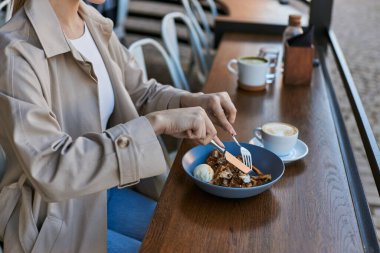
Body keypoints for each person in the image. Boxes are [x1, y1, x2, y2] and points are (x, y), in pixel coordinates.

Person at [0, 0, 237, 252]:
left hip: (106, 190)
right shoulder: (16, 51)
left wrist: (190, 99)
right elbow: (51, 168)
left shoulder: (90, 19)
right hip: (51, 220)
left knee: (191, 236)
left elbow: (138, 91)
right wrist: (156, 124)